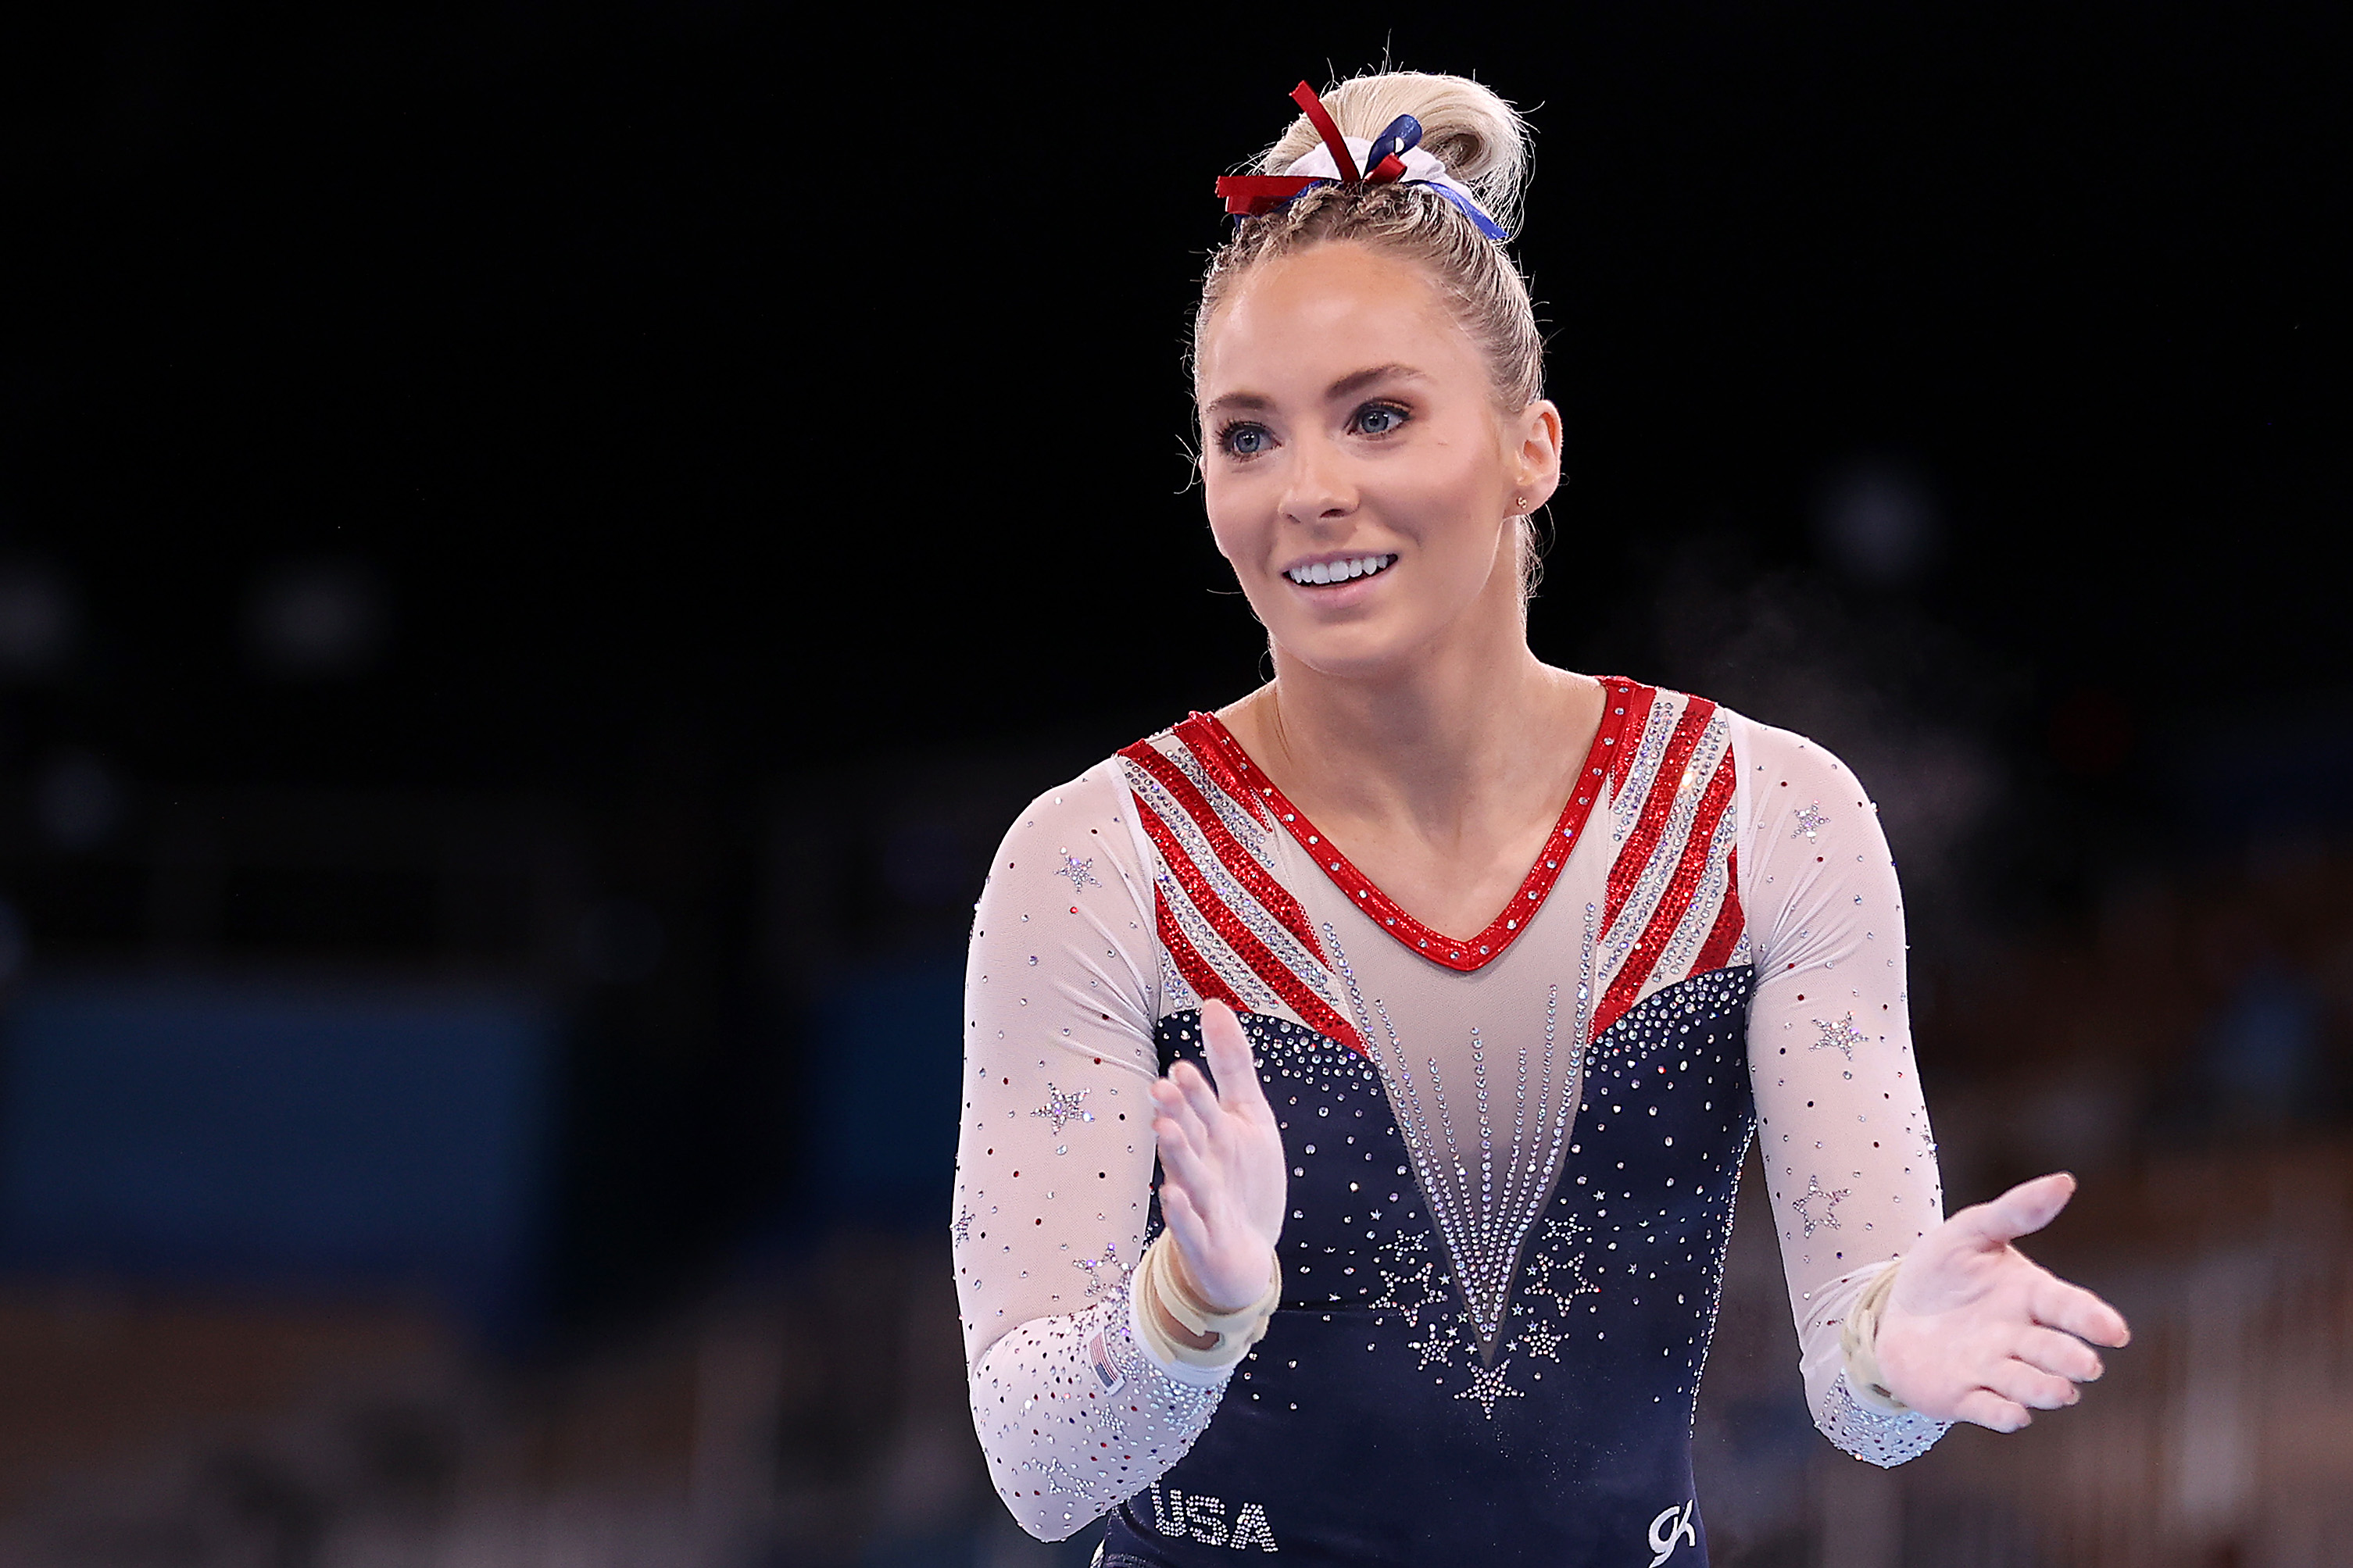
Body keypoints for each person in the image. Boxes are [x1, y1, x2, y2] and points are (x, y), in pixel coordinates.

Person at [952, 70, 2129, 1566]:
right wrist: (1186, 1309)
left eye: (1376, 416)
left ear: (1533, 450)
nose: (1308, 489)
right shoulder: (1099, 863)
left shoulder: (1765, 823)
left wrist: (1898, 1354)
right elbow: (1040, 1476)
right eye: (1247, 436)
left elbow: (1856, 1388)